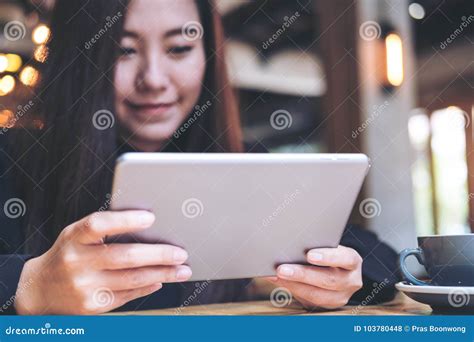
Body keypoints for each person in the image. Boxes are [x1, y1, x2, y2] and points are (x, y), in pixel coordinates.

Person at [0, 0, 399, 315]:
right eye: (123, 50)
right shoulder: (13, 159)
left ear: (208, 56)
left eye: (179, 48)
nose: (154, 78)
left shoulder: (244, 167)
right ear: (79, 59)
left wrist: (344, 279)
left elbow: (383, 262)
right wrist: (28, 286)